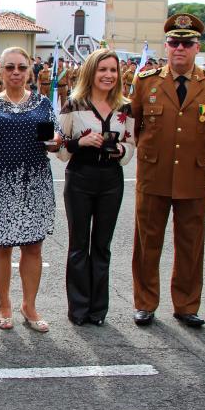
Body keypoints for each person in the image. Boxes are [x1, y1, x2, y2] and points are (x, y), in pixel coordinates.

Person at [130, 13, 205, 328]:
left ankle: (186, 305)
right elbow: (134, 125)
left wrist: (196, 154)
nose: (180, 49)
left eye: (187, 43)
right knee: (147, 244)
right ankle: (145, 303)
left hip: (194, 175)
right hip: (154, 175)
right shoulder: (146, 82)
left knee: (190, 245)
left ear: (198, 47)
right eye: (174, 43)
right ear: (167, 46)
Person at [0, 47, 61, 332]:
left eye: (21, 67)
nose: (16, 73)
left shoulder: (42, 104)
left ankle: (29, 306)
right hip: (0, 184)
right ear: (0, 71)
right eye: (9, 67)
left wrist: (55, 141)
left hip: (34, 184)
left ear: (29, 71)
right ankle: (4, 304)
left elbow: (53, 139)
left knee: (33, 246)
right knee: (2, 245)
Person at [57, 49, 136, 326]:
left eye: (113, 70)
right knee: (79, 245)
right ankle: (79, 309)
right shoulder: (74, 104)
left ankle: (98, 310)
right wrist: (80, 143)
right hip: (80, 177)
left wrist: (121, 150)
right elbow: (60, 147)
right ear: (91, 72)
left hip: (111, 179)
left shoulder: (125, 106)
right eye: (102, 70)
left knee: (102, 246)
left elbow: (131, 144)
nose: (108, 75)